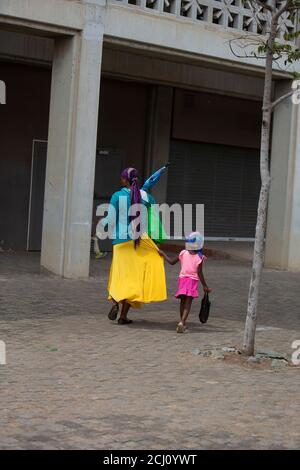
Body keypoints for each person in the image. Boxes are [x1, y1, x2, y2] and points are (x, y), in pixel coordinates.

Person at [99, 167, 167, 324]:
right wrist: (154, 242)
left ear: (124, 180)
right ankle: (123, 316)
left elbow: (110, 219)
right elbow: (153, 222)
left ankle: (115, 300)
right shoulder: (147, 197)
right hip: (139, 241)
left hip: (120, 242)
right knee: (134, 279)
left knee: (120, 276)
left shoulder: (117, 196)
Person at [159, 231, 211, 333]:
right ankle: (182, 322)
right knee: (188, 303)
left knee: (182, 302)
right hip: (192, 282)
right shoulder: (199, 257)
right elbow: (199, 273)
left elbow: (171, 262)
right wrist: (205, 286)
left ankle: (182, 322)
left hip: (182, 280)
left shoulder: (183, 253)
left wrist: (163, 254)